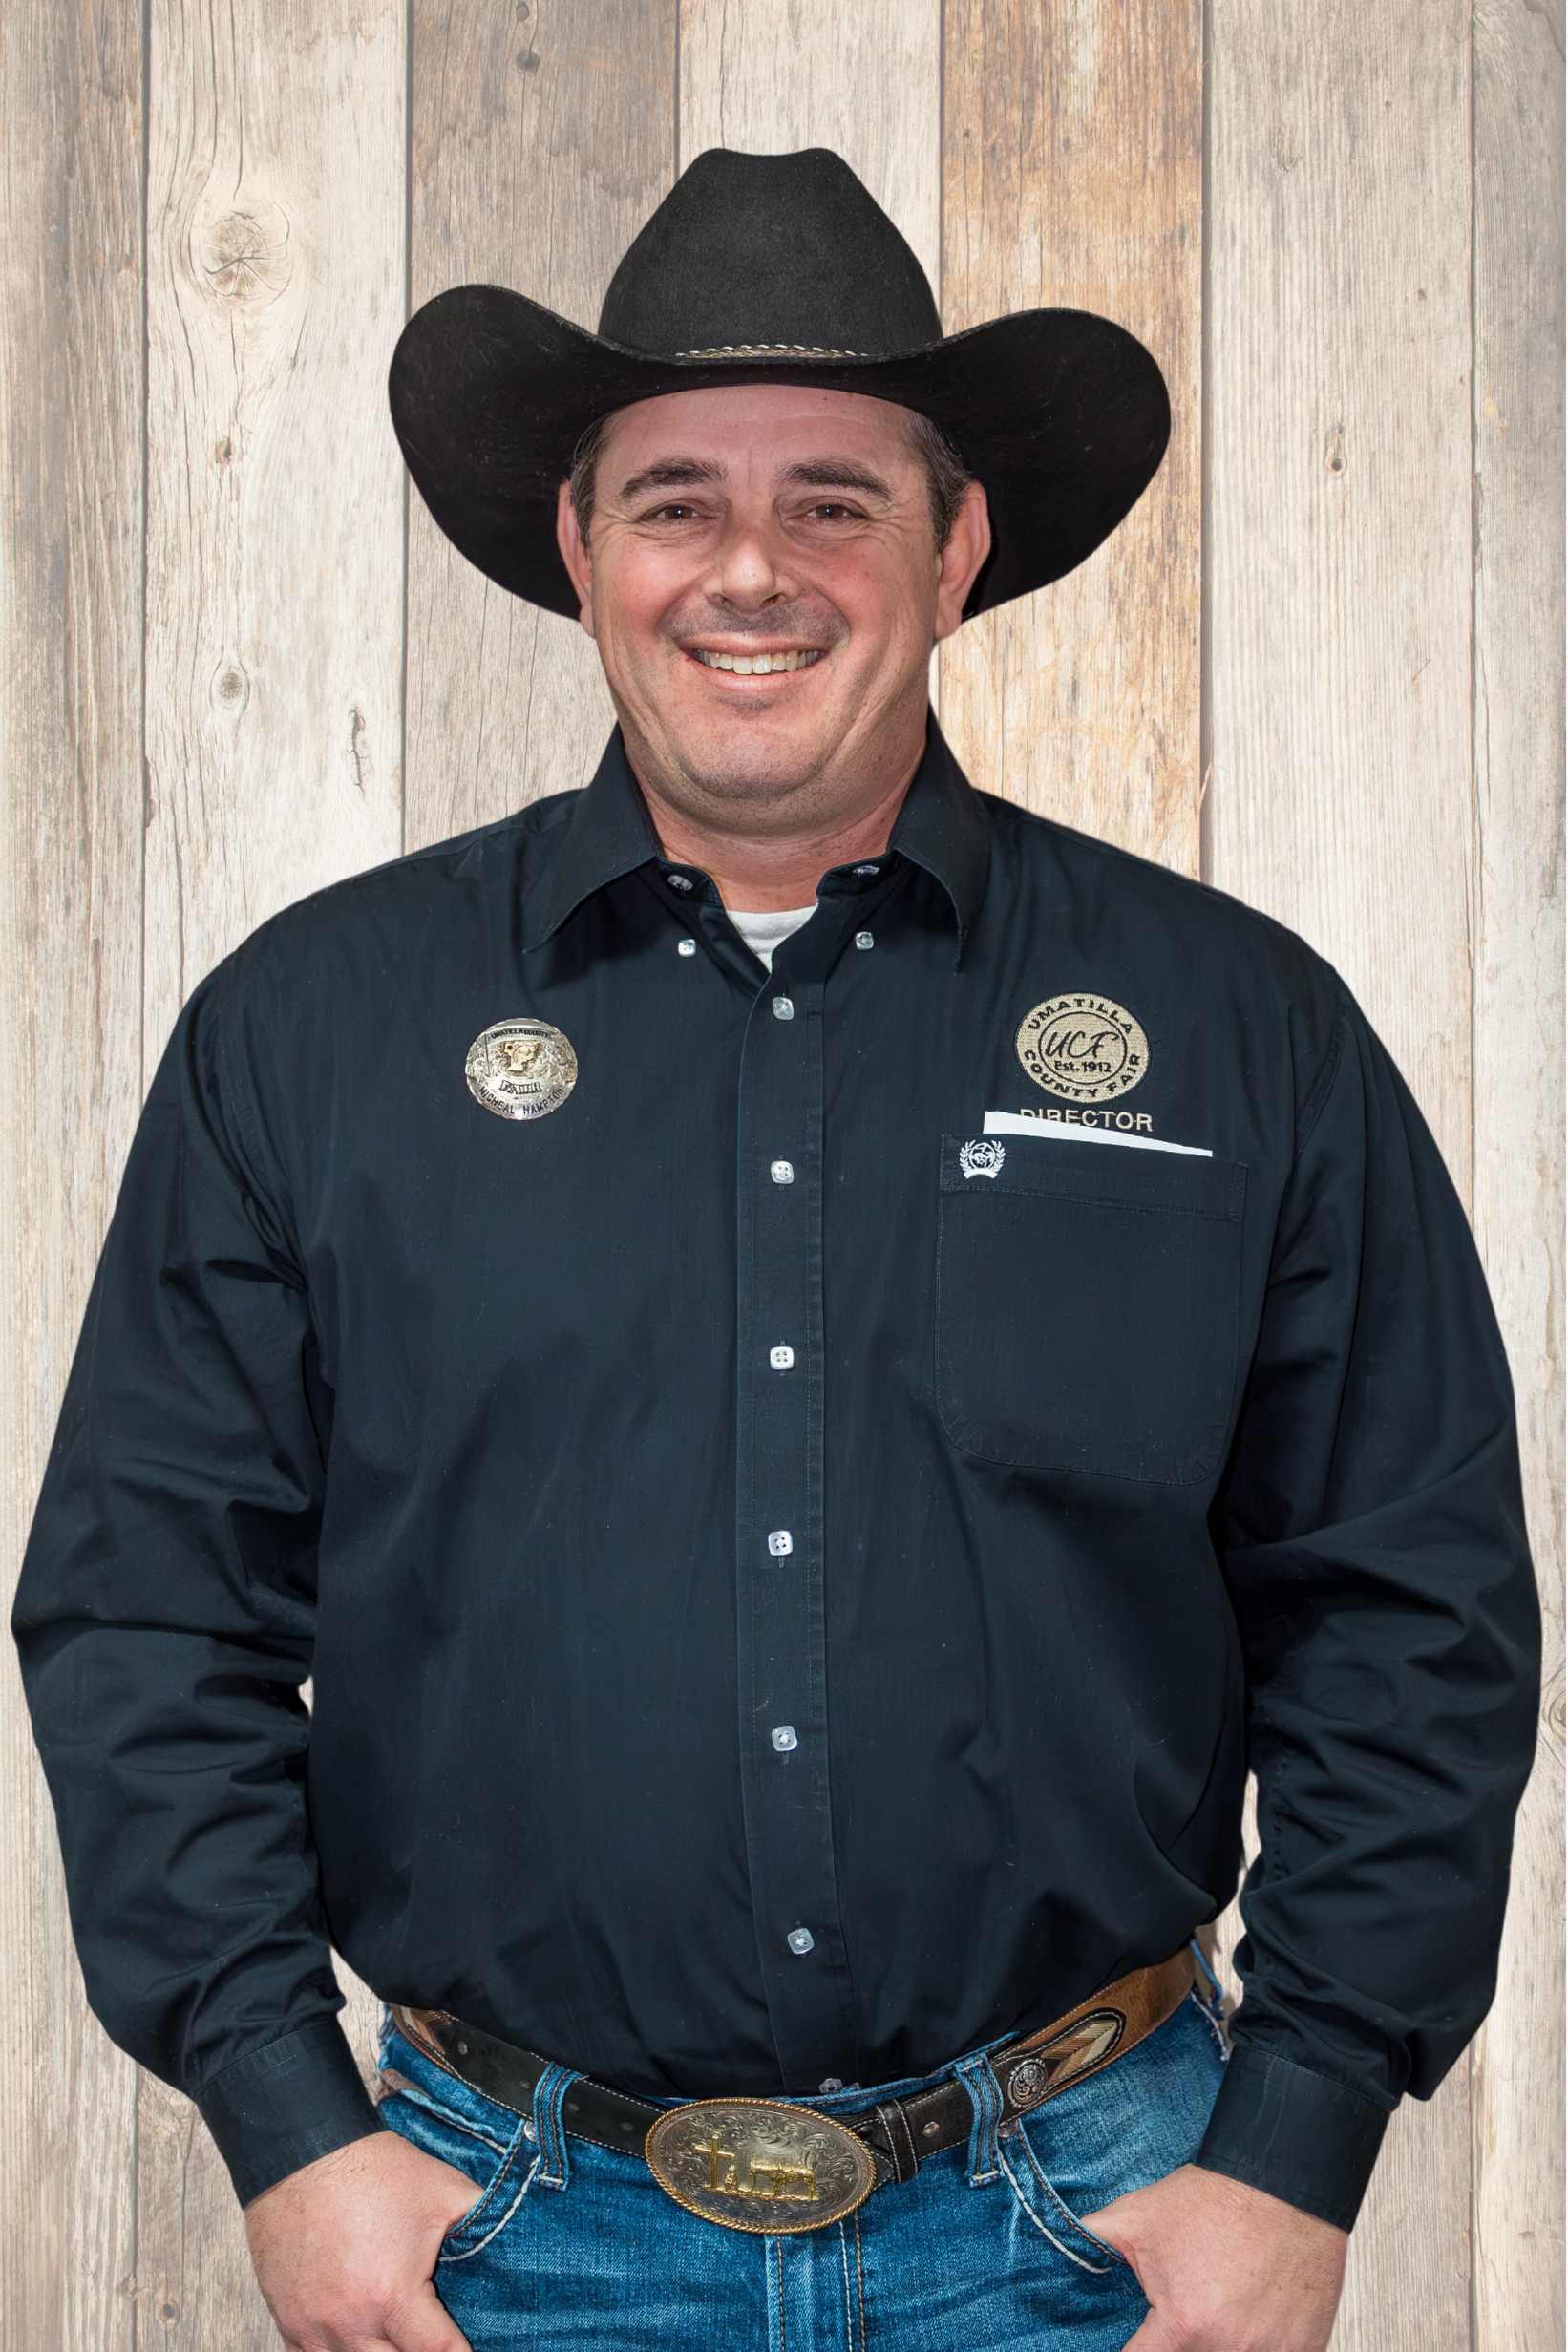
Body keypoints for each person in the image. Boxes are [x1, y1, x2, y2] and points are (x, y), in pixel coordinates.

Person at [13, 147, 1540, 2352]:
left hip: (1089, 2230)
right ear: (577, 549)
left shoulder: (1233, 1029)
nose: (753, 571)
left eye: (832, 499)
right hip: (495, 2238)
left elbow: (1406, 1604)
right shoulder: (312, 1029)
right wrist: (285, 2120)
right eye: (673, 503)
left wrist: (1294, 2143)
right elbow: (148, 1603)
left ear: (954, 548)